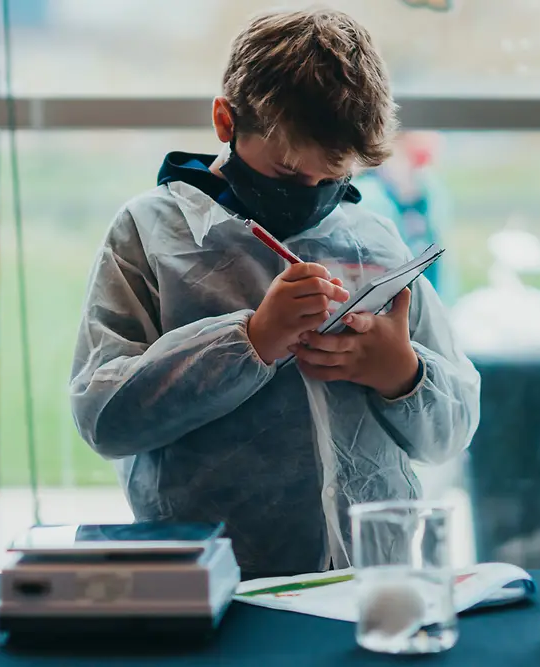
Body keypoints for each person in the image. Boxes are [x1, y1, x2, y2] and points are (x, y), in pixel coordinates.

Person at [69, 7, 480, 578]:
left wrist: (401, 373)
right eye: (289, 175)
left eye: (332, 179)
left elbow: (451, 433)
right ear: (225, 121)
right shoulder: (151, 234)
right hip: (217, 582)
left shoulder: (374, 240)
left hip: (369, 579)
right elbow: (103, 416)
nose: (309, 195)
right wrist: (252, 340)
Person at [353, 131, 456, 305]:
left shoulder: (430, 187)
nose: (438, 139)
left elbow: (443, 266)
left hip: (429, 301)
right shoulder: (366, 191)